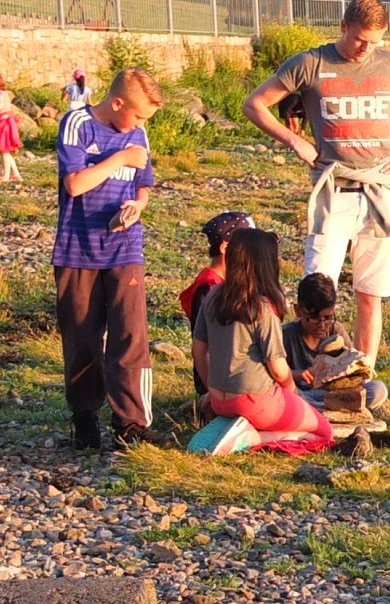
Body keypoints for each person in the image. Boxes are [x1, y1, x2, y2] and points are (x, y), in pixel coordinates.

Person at [243, 0, 390, 374]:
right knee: (317, 289)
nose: (366, 48)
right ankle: (306, 373)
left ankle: (362, 372)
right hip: (334, 191)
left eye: (374, 41)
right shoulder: (312, 63)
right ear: (344, 27)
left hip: (379, 192)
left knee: (370, 295)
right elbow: (255, 104)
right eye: (360, 39)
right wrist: (294, 141)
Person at [53, 68, 162, 452]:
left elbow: (144, 183)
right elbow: (75, 184)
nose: (141, 125)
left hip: (125, 247)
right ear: (117, 103)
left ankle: (131, 423)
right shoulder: (77, 124)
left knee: (131, 334)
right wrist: (119, 158)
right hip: (77, 249)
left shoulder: (138, 133)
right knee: (82, 338)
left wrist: (138, 205)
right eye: (138, 116)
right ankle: (85, 419)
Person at [189, 228, 333, 454]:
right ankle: (253, 438)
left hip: (219, 400)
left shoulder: (213, 296)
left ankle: (234, 426)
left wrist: (211, 388)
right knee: (324, 432)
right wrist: (293, 394)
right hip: (256, 401)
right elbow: (278, 369)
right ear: (266, 264)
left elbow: (198, 350)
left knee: (288, 412)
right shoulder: (262, 309)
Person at [285, 272, 388, 418]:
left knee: (378, 389)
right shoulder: (286, 334)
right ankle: (329, 409)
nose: (322, 325)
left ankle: (318, 410)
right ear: (298, 310)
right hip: (300, 392)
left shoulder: (335, 330)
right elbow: (271, 374)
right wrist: (298, 375)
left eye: (328, 318)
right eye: (314, 318)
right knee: (289, 396)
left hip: (331, 393)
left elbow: (354, 366)